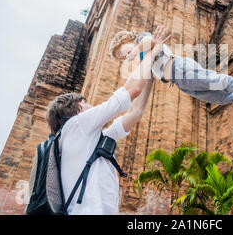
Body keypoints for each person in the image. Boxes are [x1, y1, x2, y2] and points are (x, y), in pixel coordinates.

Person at [44, 26, 170, 214]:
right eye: (85, 103)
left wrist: (149, 74)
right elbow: (132, 89)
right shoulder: (76, 125)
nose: (91, 105)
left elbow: (135, 114)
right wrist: (153, 51)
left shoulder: (90, 139)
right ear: (77, 110)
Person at [109, 27, 233, 115]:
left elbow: (148, 40)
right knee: (215, 97)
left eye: (122, 52)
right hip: (179, 82)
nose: (124, 57)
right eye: (121, 58)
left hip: (180, 68)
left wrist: (135, 50)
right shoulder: (145, 59)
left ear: (125, 40)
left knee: (213, 82)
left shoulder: (139, 40)